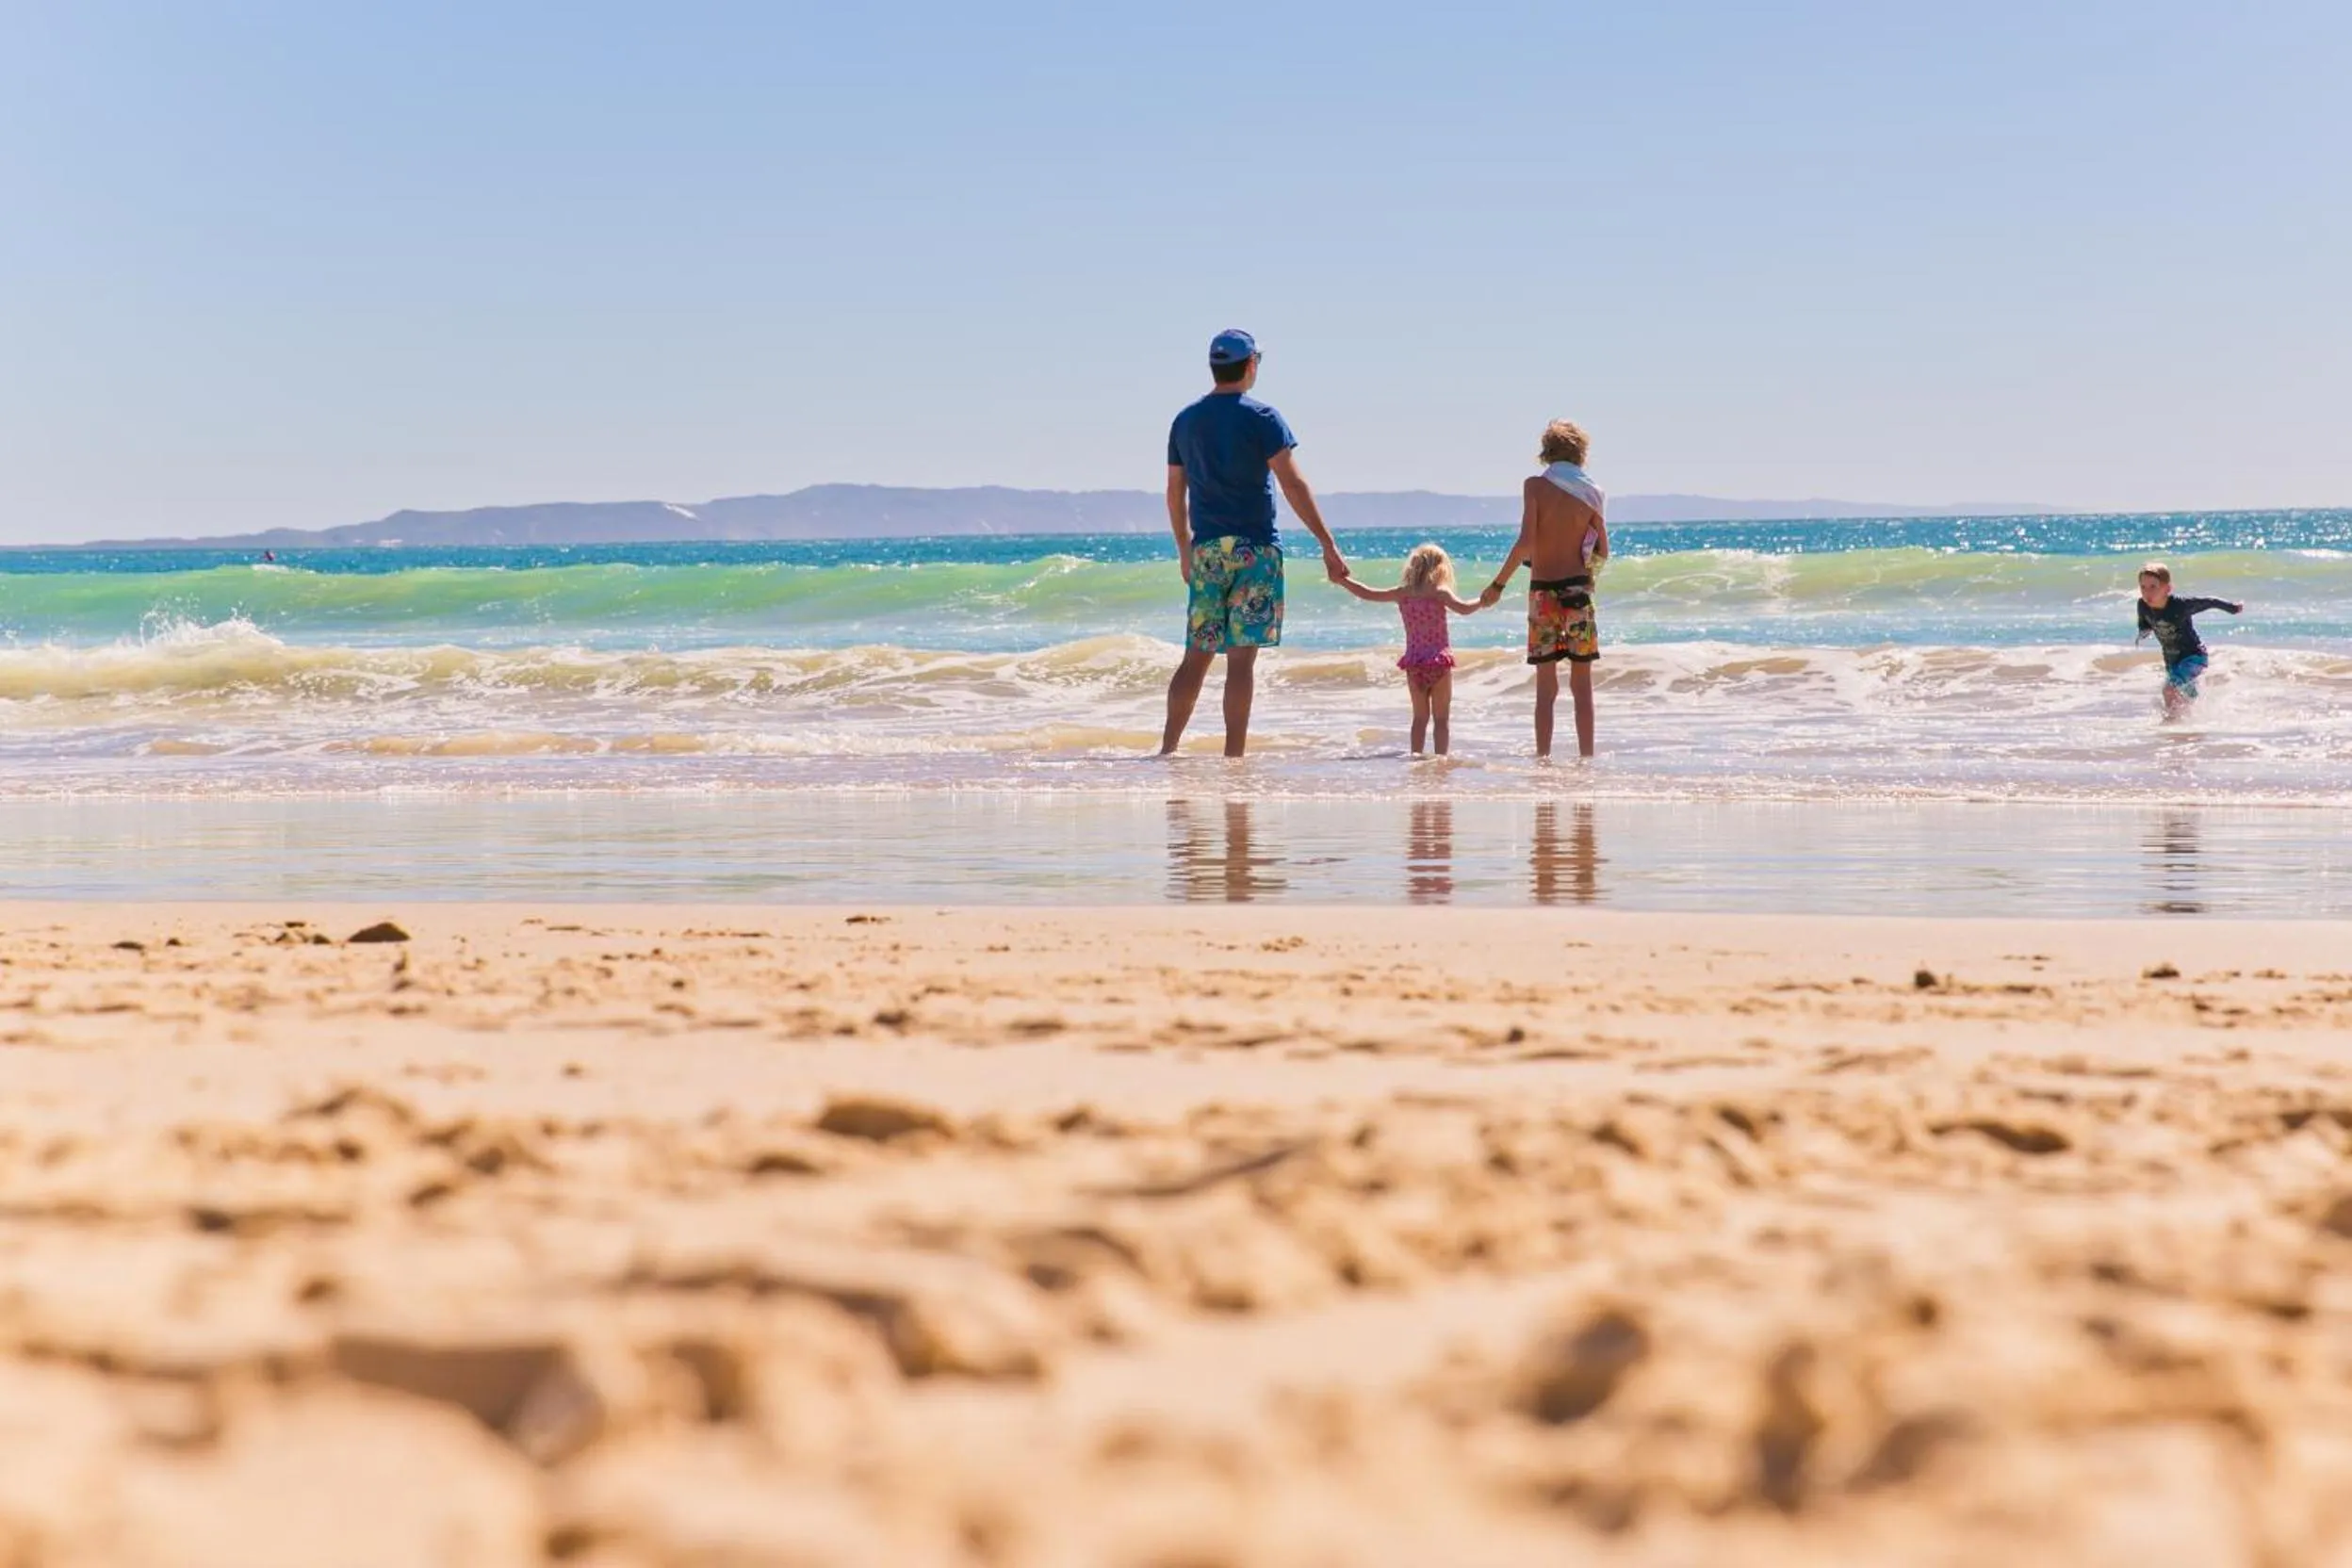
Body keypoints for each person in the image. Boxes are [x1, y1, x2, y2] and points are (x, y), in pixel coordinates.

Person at [1158, 330, 1348, 757]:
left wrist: (1185, 550)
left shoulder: (1185, 420)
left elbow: (1174, 493)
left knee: (1196, 655)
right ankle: (1234, 758)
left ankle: (1167, 750)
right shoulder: (1263, 417)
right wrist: (1327, 543)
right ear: (1250, 365)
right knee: (1241, 660)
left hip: (1207, 551)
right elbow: (1293, 483)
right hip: (1255, 550)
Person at [1478, 419, 1609, 758]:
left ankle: (1543, 762)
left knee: (1545, 689)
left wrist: (1498, 584)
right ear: (1580, 452)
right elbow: (1602, 551)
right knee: (1582, 688)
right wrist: (1588, 577)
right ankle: (1586, 761)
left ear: (1546, 451)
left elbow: (1525, 543)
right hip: (1578, 592)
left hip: (1543, 594)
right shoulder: (1593, 493)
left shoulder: (1535, 486)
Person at [1336, 543, 1487, 755]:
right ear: (1440, 568)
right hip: (1438, 661)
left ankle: (1416, 758)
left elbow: (1368, 594)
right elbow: (1464, 609)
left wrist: (1343, 581)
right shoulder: (1440, 593)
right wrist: (1483, 601)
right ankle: (1441, 759)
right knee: (1441, 720)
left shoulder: (1403, 594)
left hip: (1414, 663)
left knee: (1419, 719)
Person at [2134, 561, 2243, 719]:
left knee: (2169, 690)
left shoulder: (2180, 605)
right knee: (2186, 699)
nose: (2147, 592)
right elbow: (2143, 622)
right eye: (2143, 587)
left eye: (2153, 587)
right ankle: (2191, 725)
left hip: (2194, 657)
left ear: (2167, 589)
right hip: (2172, 661)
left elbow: (2209, 602)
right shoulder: (2142, 605)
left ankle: (2170, 725)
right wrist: (2143, 631)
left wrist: (2231, 608)